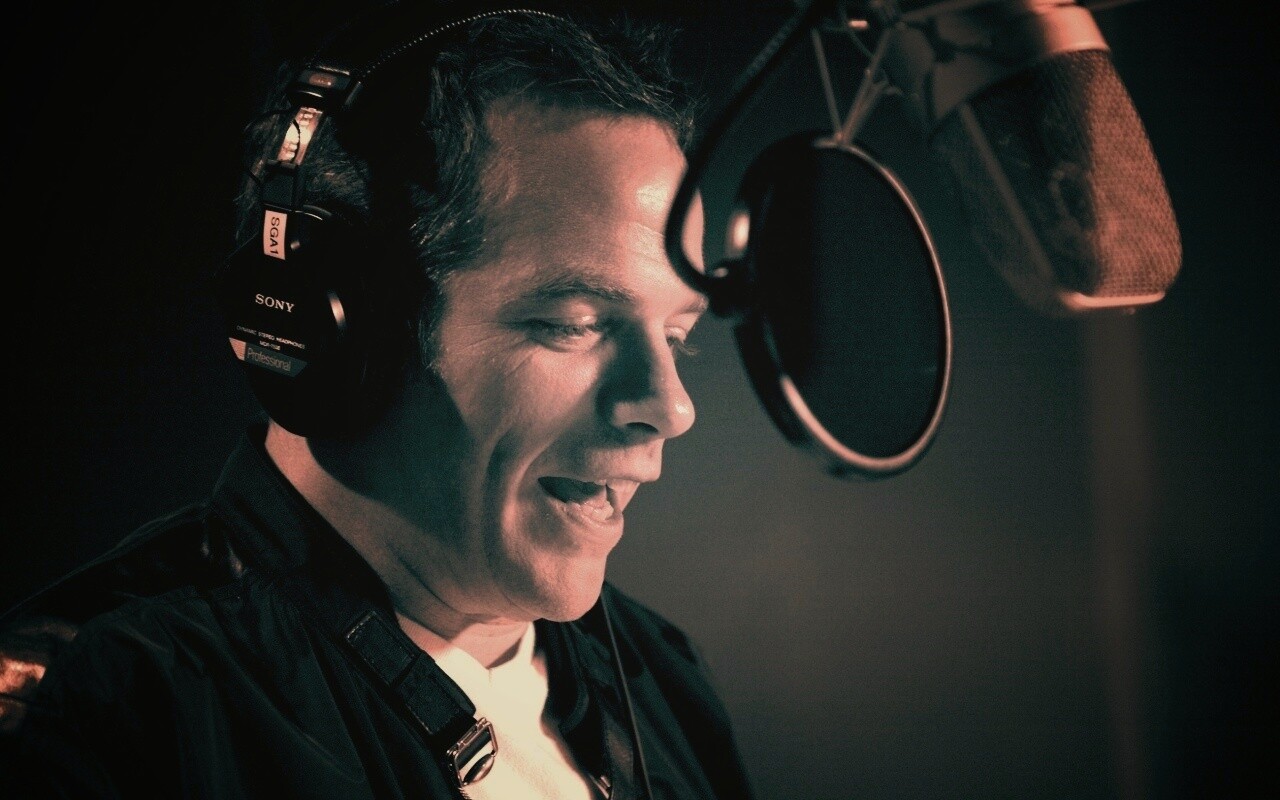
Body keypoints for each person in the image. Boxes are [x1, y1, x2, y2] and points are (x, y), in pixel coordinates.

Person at [0, 5, 756, 799]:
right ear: (336, 334)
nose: (670, 407)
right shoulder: (101, 712)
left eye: (677, 336)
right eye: (572, 324)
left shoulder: (661, 678)